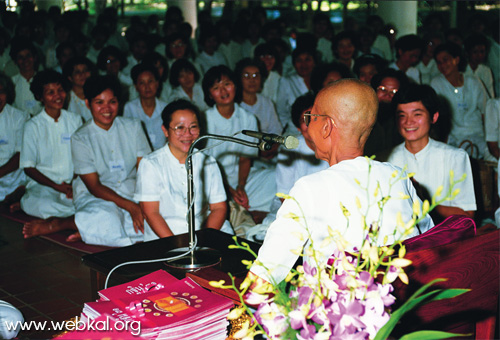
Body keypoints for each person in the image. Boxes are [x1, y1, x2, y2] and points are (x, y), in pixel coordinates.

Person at [249, 79, 433, 284]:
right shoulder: (398, 177)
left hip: (335, 309)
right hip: (399, 301)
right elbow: (429, 239)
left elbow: (263, 278)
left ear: (326, 127)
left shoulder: (309, 189)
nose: (309, 126)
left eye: (312, 118)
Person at [70, 75, 151, 246]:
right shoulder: (80, 137)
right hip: (97, 196)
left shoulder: (134, 126)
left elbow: (145, 170)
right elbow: (94, 186)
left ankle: (87, 230)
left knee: (155, 216)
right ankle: (63, 224)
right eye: (99, 102)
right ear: (87, 104)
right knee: (107, 215)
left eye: (112, 102)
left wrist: (143, 203)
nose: (106, 108)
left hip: (131, 191)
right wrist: (131, 207)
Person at [134, 99, 232, 240]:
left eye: (193, 127)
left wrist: (205, 238)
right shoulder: (150, 164)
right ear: (165, 131)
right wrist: (177, 245)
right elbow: (151, 213)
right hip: (165, 237)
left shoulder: (208, 162)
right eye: (179, 128)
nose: (188, 134)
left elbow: (219, 208)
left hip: (204, 231)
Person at [380, 84, 476, 223]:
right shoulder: (383, 160)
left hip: (443, 239)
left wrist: (425, 202)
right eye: (402, 115)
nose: (408, 122)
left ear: (434, 117)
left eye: (417, 114)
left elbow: (467, 217)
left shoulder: (455, 157)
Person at [247, 93, 330, 242]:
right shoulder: (290, 149)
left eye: (315, 117)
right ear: (298, 128)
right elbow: (285, 195)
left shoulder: (335, 145)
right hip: (293, 207)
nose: (311, 123)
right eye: (305, 120)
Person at [202, 65, 276, 213]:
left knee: (275, 175)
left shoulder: (248, 118)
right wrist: (228, 190)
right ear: (209, 94)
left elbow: (245, 158)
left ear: (235, 86)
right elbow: (204, 166)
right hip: (211, 181)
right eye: (216, 88)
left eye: (227, 84)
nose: (223, 91)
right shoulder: (204, 120)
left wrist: (240, 187)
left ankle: (240, 205)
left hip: (241, 180)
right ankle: (237, 206)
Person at [20, 70, 82, 239]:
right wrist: (56, 186)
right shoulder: (32, 126)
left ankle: (64, 220)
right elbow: (28, 167)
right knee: (40, 204)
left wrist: (73, 183)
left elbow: (81, 156)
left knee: (89, 200)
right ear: (40, 97)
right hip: (44, 187)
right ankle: (74, 221)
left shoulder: (75, 120)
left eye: (60, 90)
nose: (58, 96)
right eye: (50, 92)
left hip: (73, 184)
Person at [431, 42, 489, 159]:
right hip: (454, 138)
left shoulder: (473, 81)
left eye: (445, 60)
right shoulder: (436, 83)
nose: (442, 65)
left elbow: (485, 112)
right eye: (439, 62)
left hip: (478, 135)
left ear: (456, 60)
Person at [0, 73, 29, 206]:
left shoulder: (19, 117)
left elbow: (20, 156)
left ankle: (20, 192)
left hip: (13, 175)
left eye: (1, 92)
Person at [124, 63, 167, 151]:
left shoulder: (165, 107)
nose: (147, 87)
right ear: (136, 87)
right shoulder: (129, 108)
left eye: (150, 81)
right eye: (142, 83)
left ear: (157, 84)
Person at [276, 47, 317, 134]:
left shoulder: (321, 81)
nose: (303, 64)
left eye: (307, 59)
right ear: (294, 64)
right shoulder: (286, 81)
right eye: (299, 60)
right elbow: (281, 111)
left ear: (314, 62)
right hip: (295, 131)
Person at [10, 39, 43, 116]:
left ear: (35, 58)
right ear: (15, 61)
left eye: (28, 56)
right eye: (20, 57)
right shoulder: (11, 83)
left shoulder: (44, 80)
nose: (25, 60)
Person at [63, 56, 94, 122]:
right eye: (77, 72)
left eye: (85, 70)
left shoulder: (97, 94)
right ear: (70, 78)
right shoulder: (66, 98)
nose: (82, 74)